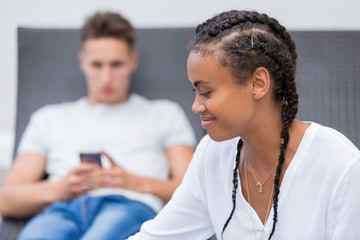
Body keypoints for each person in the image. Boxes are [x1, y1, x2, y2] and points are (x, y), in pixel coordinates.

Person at [128, 10, 360, 240]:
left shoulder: (340, 166)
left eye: (206, 92)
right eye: (195, 92)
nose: (196, 106)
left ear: (258, 83)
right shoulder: (213, 154)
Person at [0, 11, 196, 240]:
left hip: (130, 205)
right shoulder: (48, 118)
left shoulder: (164, 113)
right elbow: (6, 200)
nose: (106, 78)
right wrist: (61, 188)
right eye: (97, 65)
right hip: (62, 208)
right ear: (82, 62)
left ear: (133, 61)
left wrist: (135, 183)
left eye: (116, 64)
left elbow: (193, 190)